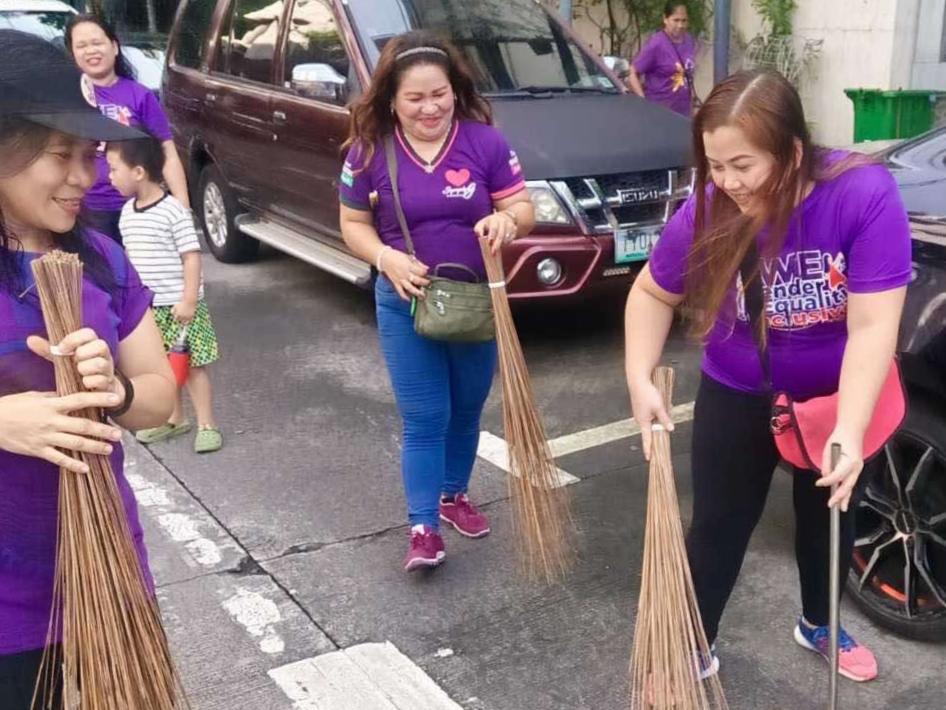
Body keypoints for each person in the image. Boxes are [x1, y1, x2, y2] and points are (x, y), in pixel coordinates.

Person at [624, 70, 911, 683]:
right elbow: (651, 293)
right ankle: (694, 641)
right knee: (720, 522)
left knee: (828, 520)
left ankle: (818, 622)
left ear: (794, 151)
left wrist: (851, 429)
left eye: (742, 165)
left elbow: (872, 327)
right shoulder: (711, 206)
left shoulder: (861, 194)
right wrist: (639, 377)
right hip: (738, 386)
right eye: (715, 165)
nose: (726, 183)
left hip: (838, 393)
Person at [0, 30, 177, 709]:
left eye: (91, 154)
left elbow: (159, 399)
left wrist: (118, 388)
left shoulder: (103, 261)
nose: (88, 176)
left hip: (108, 569)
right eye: (62, 155)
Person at [338, 32, 535, 572]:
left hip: (475, 300)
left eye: (440, 94)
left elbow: (522, 204)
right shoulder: (369, 150)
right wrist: (386, 258)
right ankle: (422, 526)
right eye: (415, 98)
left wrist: (507, 219)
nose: (431, 107)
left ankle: (454, 495)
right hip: (407, 302)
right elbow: (352, 224)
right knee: (427, 414)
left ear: (456, 90)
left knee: (468, 405)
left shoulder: (485, 143)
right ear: (391, 100)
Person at [107, 136, 223, 454]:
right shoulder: (127, 213)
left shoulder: (173, 211)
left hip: (180, 305)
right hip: (149, 307)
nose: (109, 177)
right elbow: (130, 260)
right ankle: (173, 418)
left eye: (114, 169)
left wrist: (188, 299)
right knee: (163, 367)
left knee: (193, 366)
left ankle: (207, 423)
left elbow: (191, 257)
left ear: (139, 172)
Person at [65, 14, 189, 243]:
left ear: (114, 47)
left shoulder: (139, 95)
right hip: (89, 211)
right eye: (81, 46)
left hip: (141, 207)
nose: (91, 50)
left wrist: (182, 208)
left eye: (97, 42)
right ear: (72, 55)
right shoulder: (68, 100)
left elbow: (167, 152)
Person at [628, 2, 698, 116]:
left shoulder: (689, 41)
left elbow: (687, 74)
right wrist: (643, 102)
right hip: (659, 113)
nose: (680, 25)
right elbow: (633, 72)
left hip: (683, 112)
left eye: (684, 20)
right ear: (665, 19)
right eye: (676, 20)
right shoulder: (656, 44)